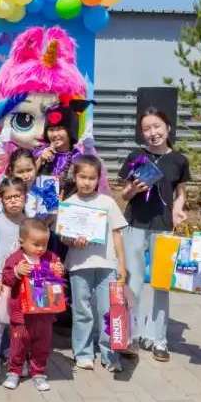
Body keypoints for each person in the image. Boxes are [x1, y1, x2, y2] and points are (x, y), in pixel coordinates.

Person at [118, 108, 189, 363]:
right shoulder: (136, 156)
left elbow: (180, 192)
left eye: (157, 126)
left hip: (163, 229)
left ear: (168, 127)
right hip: (135, 225)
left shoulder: (179, 160)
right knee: (133, 282)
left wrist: (178, 210)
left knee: (161, 285)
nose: (152, 133)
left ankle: (160, 340)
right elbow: (123, 194)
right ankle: (130, 337)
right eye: (146, 129)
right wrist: (133, 190)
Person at [60, 156, 127, 373]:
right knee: (82, 310)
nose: (87, 182)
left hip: (107, 264)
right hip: (79, 264)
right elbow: (63, 238)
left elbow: (117, 235)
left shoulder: (107, 202)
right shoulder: (69, 204)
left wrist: (122, 265)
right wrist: (72, 241)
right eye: (82, 177)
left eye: (92, 178)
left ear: (98, 179)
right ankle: (83, 353)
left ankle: (110, 354)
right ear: (75, 177)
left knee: (108, 311)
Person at [0, 219, 65, 391]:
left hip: (44, 314)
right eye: (36, 244)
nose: (41, 249)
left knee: (42, 344)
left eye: (44, 244)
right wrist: (16, 272)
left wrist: (59, 271)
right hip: (21, 313)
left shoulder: (51, 257)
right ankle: (14, 371)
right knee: (18, 344)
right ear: (22, 241)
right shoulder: (16, 259)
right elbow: (6, 279)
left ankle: (38, 373)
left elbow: (59, 280)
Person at [0, 177, 28, 376]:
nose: (13, 201)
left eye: (17, 196)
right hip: (2, 281)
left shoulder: (28, 222)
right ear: (1, 200)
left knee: (20, 322)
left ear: (25, 197)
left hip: (23, 282)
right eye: (8, 197)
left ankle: (16, 357)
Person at [0, 148, 40, 216]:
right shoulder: (5, 188)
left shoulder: (44, 186)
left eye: (29, 170)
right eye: (20, 172)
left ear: (35, 167)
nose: (26, 176)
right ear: (11, 172)